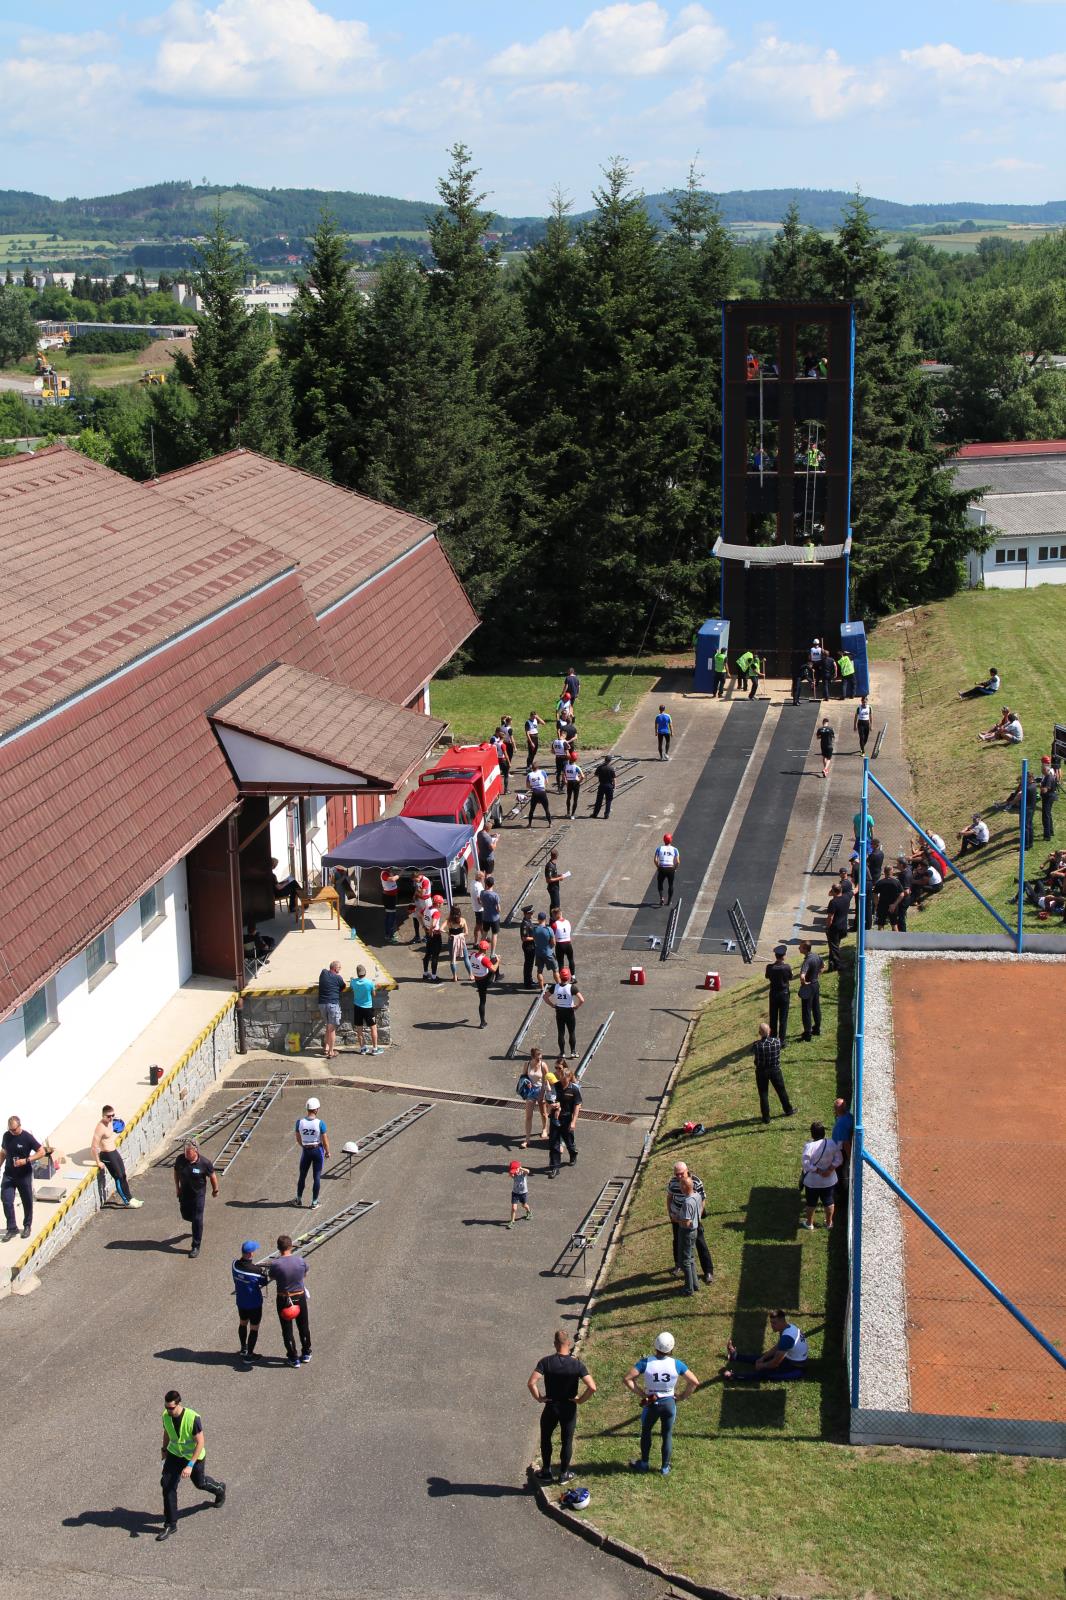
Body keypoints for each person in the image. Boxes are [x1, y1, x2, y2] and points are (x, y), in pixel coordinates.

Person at [624, 1331, 700, 1476]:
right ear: (671, 1348)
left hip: (651, 1404)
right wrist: (682, 1396)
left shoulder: (645, 1362)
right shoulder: (677, 1364)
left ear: (655, 1345)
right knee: (667, 1434)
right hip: (669, 1403)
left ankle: (644, 1463)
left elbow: (627, 1379)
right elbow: (694, 1382)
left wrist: (642, 1393)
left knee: (646, 1432)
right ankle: (665, 1468)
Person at [528, 1329, 597, 1485]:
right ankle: (564, 1474)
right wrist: (580, 1400)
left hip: (551, 1406)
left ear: (555, 1344)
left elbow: (531, 1383)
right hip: (568, 1407)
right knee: (566, 1441)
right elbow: (592, 1387)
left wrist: (540, 1397)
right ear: (569, 1343)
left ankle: (546, 1471)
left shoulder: (545, 1362)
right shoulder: (577, 1365)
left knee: (546, 1438)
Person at [157, 1390, 225, 1540]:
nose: (168, 1410)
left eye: (171, 1408)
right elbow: (167, 1433)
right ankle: (170, 1524)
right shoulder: (165, 1416)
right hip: (175, 1454)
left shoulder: (192, 1418)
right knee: (167, 1486)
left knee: (200, 1483)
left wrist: (190, 1465)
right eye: (166, 1407)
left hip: (193, 1456)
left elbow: (200, 1442)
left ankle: (219, 1489)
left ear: (178, 1404)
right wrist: (164, 1451)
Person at [723, 1311, 808, 1383]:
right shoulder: (789, 1327)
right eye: (771, 1322)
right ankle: (735, 1356)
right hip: (791, 1359)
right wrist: (763, 1358)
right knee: (762, 1358)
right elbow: (778, 1347)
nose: (772, 1325)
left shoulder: (787, 1338)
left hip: (796, 1369)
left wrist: (762, 1365)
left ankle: (733, 1376)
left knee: (765, 1374)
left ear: (782, 1321)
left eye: (774, 1323)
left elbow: (775, 1363)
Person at [267, 1234, 311, 1368]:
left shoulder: (275, 1264)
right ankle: (306, 1353)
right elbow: (305, 1274)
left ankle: (293, 1358)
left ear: (278, 1248)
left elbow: (272, 1276)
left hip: (284, 1299)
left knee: (287, 1330)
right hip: (300, 1296)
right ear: (291, 1246)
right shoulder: (300, 1261)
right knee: (303, 1326)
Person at [666, 1161, 714, 1284]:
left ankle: (708, 1271)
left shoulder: (696, 1182)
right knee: (677, 1241)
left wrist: (697, 1216)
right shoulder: (673, 1182)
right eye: (676, 1174)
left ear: (687, 1170)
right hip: (677, 1218)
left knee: (700, 1243)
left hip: (693, 1220)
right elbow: (669, 1197)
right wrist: (670, 1213)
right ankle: (678, 1265)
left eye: (681, 1174)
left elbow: (702, 1200)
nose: (679, 1177)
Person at [91, 1105, 143, 1209]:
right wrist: (98, 1162)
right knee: (118, 1177)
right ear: (103, 1116)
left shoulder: (111, 1122)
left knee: (123, 1174)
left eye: (112, 1115)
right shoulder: (100, 1128)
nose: (111, 1118)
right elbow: (94, 1147)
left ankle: (131, 1198)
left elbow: (118, 1126)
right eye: (108, 1116)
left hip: (114, 1152)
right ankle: (127, 1202)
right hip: (106, 1154)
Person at [2, 1115, 45, 1242]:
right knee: (6, 1200)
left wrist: (26, 1160)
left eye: (14, 1129)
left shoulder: (26, 1137)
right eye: (10, 1129)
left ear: (19, 1126)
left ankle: (27, 1226)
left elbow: (41, 1152)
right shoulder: (6, 1136)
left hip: (24, 1175)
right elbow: (3, 1153)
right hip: (9, 1174)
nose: (13, 1132)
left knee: (26, 1201)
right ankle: (12, 1228)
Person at [174, 1141, 218, 1258]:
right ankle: (195, 1226)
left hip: (198, 1196)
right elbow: (176, 1172)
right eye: (185, 1152)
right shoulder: (180, 1159)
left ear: (196, 1151)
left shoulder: (205, 1163)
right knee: (186, 1216)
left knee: (197, 1219)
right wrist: (177, 1187)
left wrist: (215, 1190)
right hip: (184, 1194)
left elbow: (213, 1176)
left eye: (189, 1153)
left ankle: (195, 1246)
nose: (186, 1155)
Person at [800, 1121, 842, 1230]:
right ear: (823, 1132)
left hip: (812, 1181)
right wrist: (829, 1169)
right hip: (829, 1180)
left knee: (811, 1203)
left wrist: (817, 1170)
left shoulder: (809, 1146)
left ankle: (809, 1223)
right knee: (828, 1201)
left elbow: (806, 1164)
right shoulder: (832, 1143)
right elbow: (839, 1159)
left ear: (812, 1134)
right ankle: (829, 1223)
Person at [752, 1022, 794, 1123]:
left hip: (761, 1072)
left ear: (759, 1033)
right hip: (775, 1069)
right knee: (781, 1090)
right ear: (770, 1031)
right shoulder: (777, 1042)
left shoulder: (757, 1046)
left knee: (763, 1094)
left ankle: (766, 1118)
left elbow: (756, 1061)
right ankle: (788, 1110)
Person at [231, 1240, 265, 1364]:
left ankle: (243, 1348)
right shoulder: (256, 1270)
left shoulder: (234, 1264)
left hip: (241, 1302)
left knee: (243, 1323)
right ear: (250, 1254)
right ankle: (249, 1355)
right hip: (254, 1304)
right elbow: (264, 1281)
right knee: (254, 1328)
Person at [294, 1096, 330, 1209]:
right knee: (317, 1177)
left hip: (306, 1151)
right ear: (315, 1110)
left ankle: (298, 1199)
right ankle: (314, 1202)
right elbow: (325, 1140)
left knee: (302, 1176)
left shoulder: (299, 1122)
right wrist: (327, 1152)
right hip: (317, 1150)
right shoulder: (320, 1123)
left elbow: (298, 1138)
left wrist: (304, 1146)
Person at [543, 969, 583, 1058]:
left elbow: (545, 997)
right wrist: (576, 1006)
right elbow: (582, 999)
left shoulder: (555, 987)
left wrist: (552, 1005)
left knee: (561, 1032)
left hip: (559, 1010)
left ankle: (562, 1053)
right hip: (569, 1011)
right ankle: (573, 1052)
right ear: (568, 977)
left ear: (560, 977)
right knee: (571, 1032)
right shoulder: (572, 987)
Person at [551, 1063, 582, 1170]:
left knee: (569, 1142)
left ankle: (573, 1153)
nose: (562, 1082)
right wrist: (553, 1104)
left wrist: (573, 1122)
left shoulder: (574, 1089)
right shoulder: (556, 1085)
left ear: (569, 1078)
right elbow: (550, 1099)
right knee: (554, 1143)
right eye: (561, 1079)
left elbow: (577, 1106)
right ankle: (554, 1167)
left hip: (567, 1118)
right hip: (555, 1118)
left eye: (564, 1080)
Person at [519, 1047, 550, 1147]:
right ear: (532, 1057)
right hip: (531, 1091)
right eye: (538, 1058)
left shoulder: (543, 1065)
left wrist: (543, 1091)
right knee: (528, 1116)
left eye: (541, 1058)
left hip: (541, 1090)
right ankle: (527, 1139)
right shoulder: (527, 1064)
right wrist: (527, 1082)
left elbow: (547, 1079)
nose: (539, 1060)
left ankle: (544, 1129)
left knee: (543, 1113)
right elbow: (523, 1076)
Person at [349, 965, 382, 1053]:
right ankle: (375, 1049)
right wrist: (376, 988)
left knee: (359, 1029)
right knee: (373, 1028)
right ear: (365, 973)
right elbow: (373, 994)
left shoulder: (353, 982)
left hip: (357, 1008)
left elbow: (351, 988)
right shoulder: (369, 983)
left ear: (357, 973)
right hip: (368, 1008)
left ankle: (363, 1048)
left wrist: (352, 979)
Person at [317, 959, 346, 1059]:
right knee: (332, 1029)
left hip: (322, 1004)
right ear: (335, 968)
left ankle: (326, 1048)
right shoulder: (338, 978)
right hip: (333, 1004)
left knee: (328, 1027)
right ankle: (331, 1052)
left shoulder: (323, 973)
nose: (340, 969)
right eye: (339, 967)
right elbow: (343, 987)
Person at [764, 942, 793, 1043]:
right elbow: (790, 977)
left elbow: (767, 976)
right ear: (783, 956)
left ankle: (772, 1038)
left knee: (773, 1017)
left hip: (774, 994)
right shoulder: (787, 967)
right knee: (783, 1019)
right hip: (784, 994)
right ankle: (782, 1040)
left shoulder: (769, 967)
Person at [797, 941, 823, 1041]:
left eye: (800, 947)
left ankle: (807, 1034)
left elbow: (802, 976)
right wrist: (816, 976)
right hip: (816, 984)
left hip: (809, 986)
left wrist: (804, 983)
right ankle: (817, 1028)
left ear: (805, 949)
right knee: (816, 1007)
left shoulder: (807, 961)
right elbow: (822, 966)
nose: (799, 949)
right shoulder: (816, 956)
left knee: (806, 1010)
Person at [471, 940, 499, 1028]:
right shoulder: (484, 959)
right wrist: (498, 961)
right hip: (485, 980)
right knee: (482, 1002)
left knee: (481, 998)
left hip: (477, 979)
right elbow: (493, 969)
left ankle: (495, 978)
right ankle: (482, 1022)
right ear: (486, 950)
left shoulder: (472, 955)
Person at [825, 880, 851, 970]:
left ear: (833, 892)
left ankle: (838, 965)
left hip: (834, 928)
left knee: (834, 947)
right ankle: (832, 964)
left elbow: (830, 917)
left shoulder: (833, 902)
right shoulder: (847, 897)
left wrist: (828, 927)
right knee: (835, 945)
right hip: (843, 926)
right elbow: (854, 890)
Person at [421, 893, 445, 982]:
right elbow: (434, 924)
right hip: (435, 935)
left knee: (427, 953)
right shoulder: (436, 912)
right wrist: (431, 930)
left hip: (428, 933)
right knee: (435, 955)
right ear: (438, 903)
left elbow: (420, 914)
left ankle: (425, 973)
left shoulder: (427, 908)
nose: (442, 904)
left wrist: (424, 926)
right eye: (441, 903)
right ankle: (434, 977)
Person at [446, 905, 474, 983]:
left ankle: (455, 976)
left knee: (453, 959)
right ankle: (471, 975)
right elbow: (467, 933)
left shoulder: (449, 921)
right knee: (466, 958)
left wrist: (448, 933)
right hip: (461, 941)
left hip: (452, 940)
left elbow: (441, 928)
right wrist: (460, 935)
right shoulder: (463, 920)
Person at [873, 864, 903, 930]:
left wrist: (877, 905)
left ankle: (881, 940)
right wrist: (895, 904)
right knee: (894, 925)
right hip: (893, 906)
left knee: (880, 925)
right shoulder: (896, 882)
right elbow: (902, 894)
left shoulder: (880, 882)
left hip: (882, 906)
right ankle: (895, 940)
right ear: (892, 871)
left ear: (884, 872)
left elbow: (875, 894)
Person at [532, 912, 558, 989]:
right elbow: (553, 943)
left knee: (539, 971)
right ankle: (560, 986)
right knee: (555, 970)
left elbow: (534, 939)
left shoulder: (535, 929)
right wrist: (549, 948)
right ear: (545, 919)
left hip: (539, 953)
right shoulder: (549, 929)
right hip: (548, 953)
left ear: (538, 919)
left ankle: (542, 988)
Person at [655, 833, 680, 906]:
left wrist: (658, 867)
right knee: (671, 885)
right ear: (671, 840)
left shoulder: (659, 848)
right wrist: (674, 868)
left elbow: (655, 860)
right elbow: (678, 861)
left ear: (664, 840)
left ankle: (661, 898)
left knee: (660, 883)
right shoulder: (675, 849)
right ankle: (669, 901)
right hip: (670, 868)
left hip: (662, 867)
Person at [550, 908, 576, 978]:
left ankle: (562, 979)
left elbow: (552, 935)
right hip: (568, 944)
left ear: (556, 915)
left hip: (560, 945)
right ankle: (573, 977)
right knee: (571, 959)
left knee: (560, 963)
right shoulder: (567, 922)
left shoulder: (554, 924)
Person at [506, 1160, 532, 1228]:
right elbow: (509, 1174)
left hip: (523, 1193)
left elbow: (528, 1171)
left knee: (524, 1205)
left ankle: (529, 1212)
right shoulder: (514, 1174)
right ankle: (512, 1221)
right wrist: (512, 1172)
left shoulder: (523, 1173)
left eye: (515, 1170)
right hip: (515, 1193)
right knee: (514, 1208)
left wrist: (520, 1168)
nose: (514, 1172)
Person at [831, 1097, 854, 1171]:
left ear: (835, 1110)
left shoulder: (841, 1125)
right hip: (840, 1150)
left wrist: (852, 1160)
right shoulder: (848, 1116)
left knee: (840, 1171)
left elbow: (846, 1144)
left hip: (841, 1153)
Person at [526, 762, 552, 827]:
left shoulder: (529, 774)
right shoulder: (543, 772)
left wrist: (533, 787)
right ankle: (550, 824)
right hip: (542, 792)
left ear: (532, 768)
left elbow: (527, 786)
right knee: (546, 809)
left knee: (532, 809)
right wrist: (543, 786)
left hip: (535, 792)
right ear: (538, 767)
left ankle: (529, 824)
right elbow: (547, 782)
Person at [410, 871, 432, 945]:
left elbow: (422, 893)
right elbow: (418, 889)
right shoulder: (418, 880)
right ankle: (417, 936)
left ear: (418, 876)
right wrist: (415, 895)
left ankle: (428, 935)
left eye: (415, 880)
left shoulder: (425, 880)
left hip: (426, 901)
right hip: (419, 900)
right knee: (415, 916)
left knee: (426, 917)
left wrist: (417, 893)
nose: (415, 881)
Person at [1040, 755, 1059, 841]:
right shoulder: (1049, 776)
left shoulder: (1048, 777)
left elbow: (1045, 790)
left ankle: (1047, 836)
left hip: (1048, 798)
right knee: (1048, 815)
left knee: (1045, 816)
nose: (1041, 771)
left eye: (1042, 770)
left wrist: (1038, 787)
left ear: (1046, 770)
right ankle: (1051, 831)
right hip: (1050, 797)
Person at [480, 876, 501, 954]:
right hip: (494, 918)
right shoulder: (495, 895)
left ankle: (481, 950)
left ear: (486, 884)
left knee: (484, 934)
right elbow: (499, 909)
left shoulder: (482, 893)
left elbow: (481, 904)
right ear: (493, 884)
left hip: (485, 917)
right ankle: (492, 953)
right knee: (494, 935)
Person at [591, 754, 616, 819]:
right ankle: (606, 815)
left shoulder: (600, 767)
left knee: (599, 800)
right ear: (610, 761)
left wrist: (601, 776)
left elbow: (596, 775)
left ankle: (595, 814)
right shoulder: (611, 768)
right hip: (609, 786)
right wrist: (614, 786)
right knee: (608, 801)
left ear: (605, 760)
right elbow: (614, 779)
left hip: (601, 785)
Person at [380, 867, 400, 943]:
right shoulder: (384, 873)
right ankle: (390, 936)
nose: (391, 868)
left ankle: (389, 934)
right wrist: (400, 874)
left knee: (389, 916)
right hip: (389, 898)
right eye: (390, 867)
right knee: (391, 917)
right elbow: (392, 879)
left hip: (391, 897)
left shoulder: (388, 872)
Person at [564, 752, 584, 818]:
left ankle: (568, 813)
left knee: (568, 798)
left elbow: (563, 775)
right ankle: (572, 815)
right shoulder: (576, 767)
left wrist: (566, 781)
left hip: (569, 782)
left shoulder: (566, 766)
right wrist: (579, 781)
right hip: (575, 783)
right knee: (575, 799)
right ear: (576, 759)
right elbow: (582, 776)